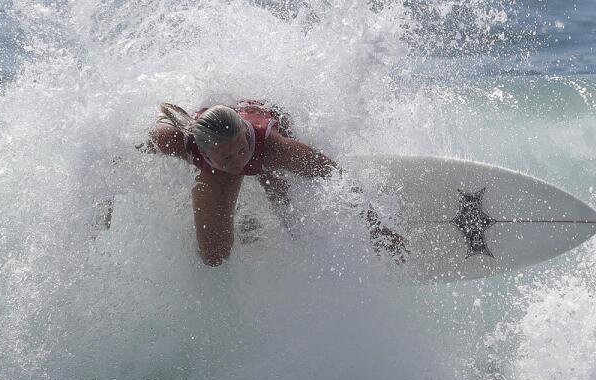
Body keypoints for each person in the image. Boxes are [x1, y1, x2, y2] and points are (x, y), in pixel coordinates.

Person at [102, 99, 405, 266]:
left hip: (264, 133)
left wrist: (375, 224)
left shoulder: (270, 146)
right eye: (226, 157)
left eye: (240, 147)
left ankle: (263, 214)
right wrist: (105, 202)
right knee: (214, 258)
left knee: (286, 209)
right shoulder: (180, 142)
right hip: (214, 153)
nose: (237, 159)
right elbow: (116, 150)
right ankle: (244, 223)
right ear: (203, 151)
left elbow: (332, 173)